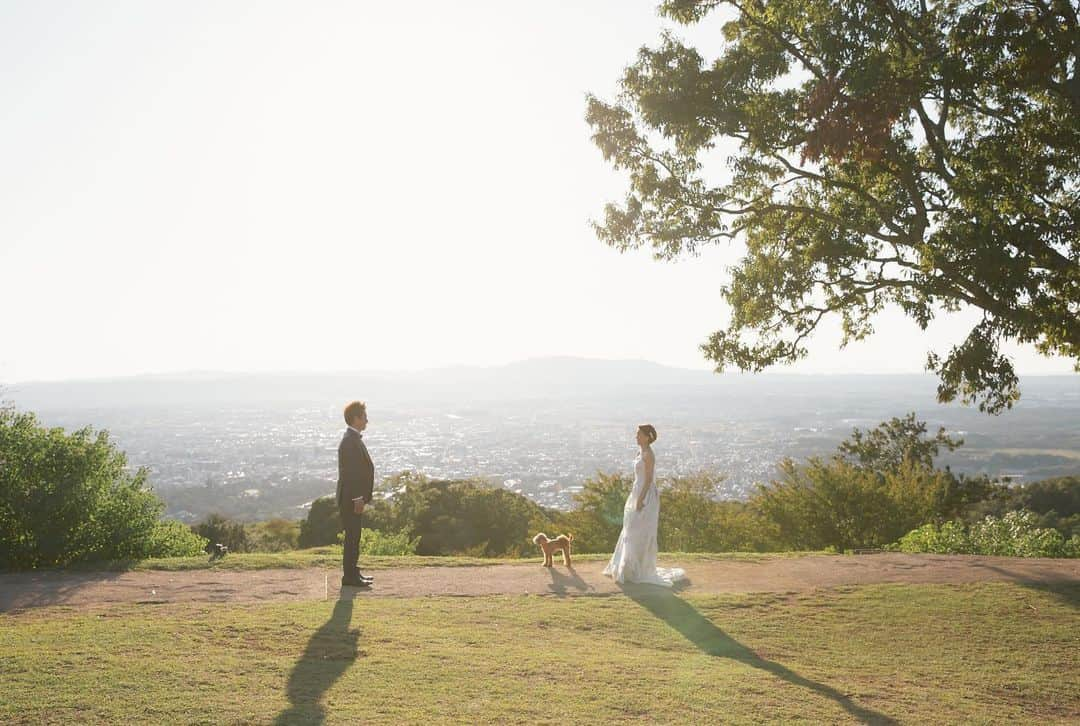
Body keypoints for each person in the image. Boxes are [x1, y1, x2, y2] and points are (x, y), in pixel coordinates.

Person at [603, 424, 686, 586]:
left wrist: (641, 499)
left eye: (639, 434)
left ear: (647, 436)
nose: (636, 437)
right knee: (631, 528)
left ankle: (638, 568)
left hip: (646, 494)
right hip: (637, 491)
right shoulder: (640, 452)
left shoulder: (648, 454)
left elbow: (648, 479)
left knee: (639, 529)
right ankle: (628, 567)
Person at [337, 400, 374, 588]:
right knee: (352, 538)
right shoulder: (349, 442)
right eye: (364, 417)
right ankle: (349, 576)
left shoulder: (353, 439)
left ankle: (353, 573)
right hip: (352, 499)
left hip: (354, 499)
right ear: (356, 418)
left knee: (355, 537)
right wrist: (358, 499)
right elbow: (350, 474)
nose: (367, 420)